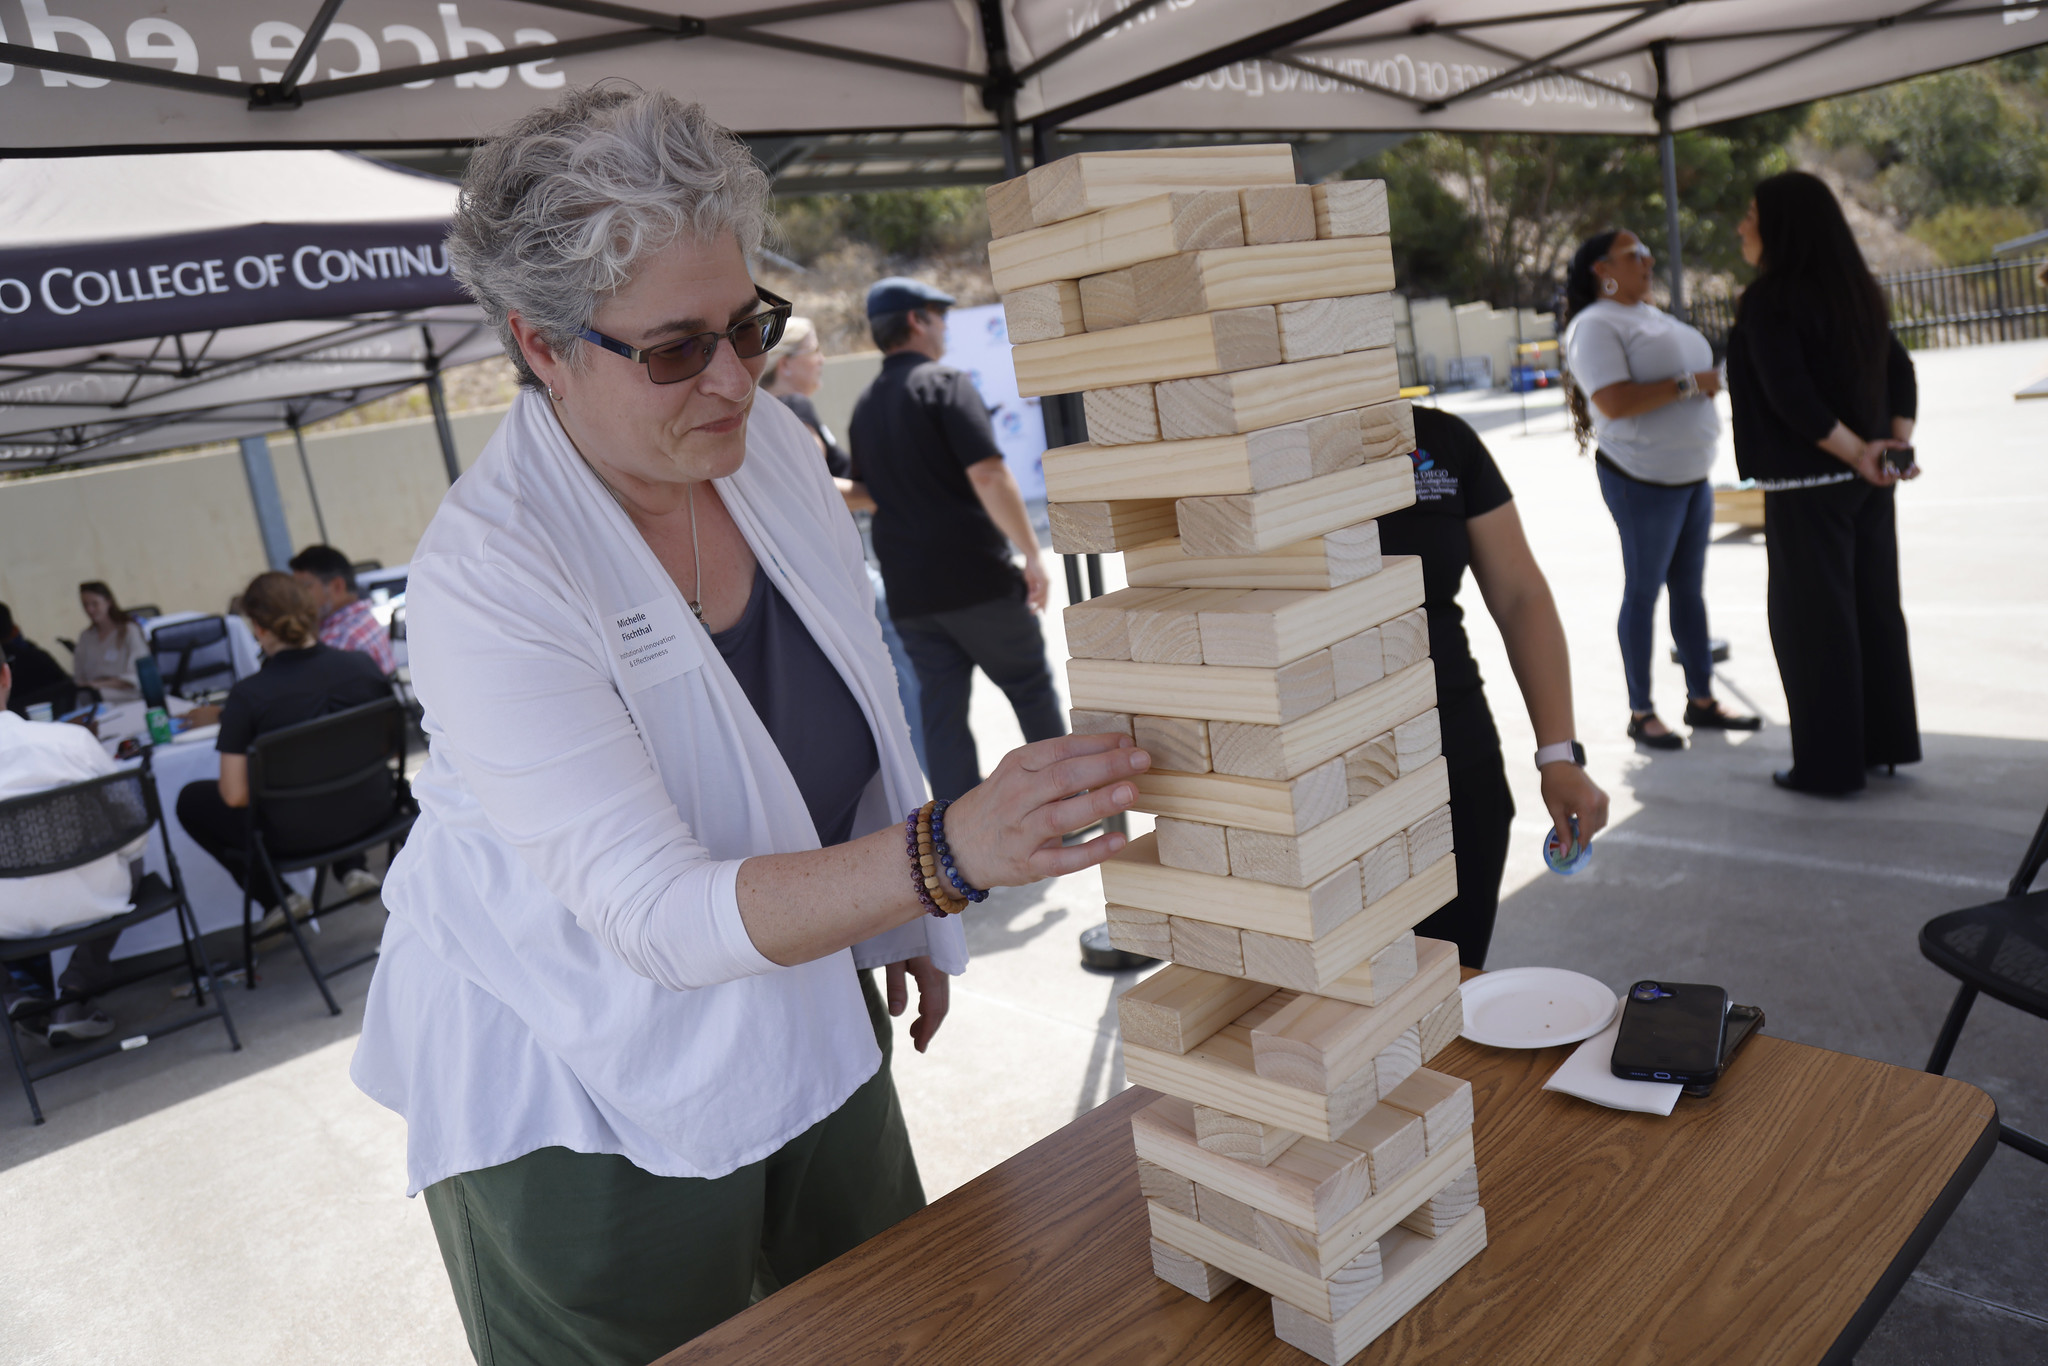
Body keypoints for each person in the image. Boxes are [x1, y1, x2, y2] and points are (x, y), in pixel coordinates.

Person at [346, 85, 1144, 1366]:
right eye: (672, 348)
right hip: (579, 1073)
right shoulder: (490, 576)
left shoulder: (764, 445)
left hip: (798, 984)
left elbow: (847, 702)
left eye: (746, 325)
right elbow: (655, 913)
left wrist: (893, 911)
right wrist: (945, 854)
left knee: (891, 1316)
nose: (732, 377)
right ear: (541, 346)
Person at [1378, 407, 1611, 968]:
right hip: (1314, 777)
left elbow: (1519, 595)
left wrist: (1559, 755)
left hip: (1453, 757)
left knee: (1448, 983)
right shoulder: (1251, 444)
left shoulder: (1440, 438)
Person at [1727, 170, 1920, 796]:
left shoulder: (1770, 299)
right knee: (1871, 610)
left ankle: (1829, 765)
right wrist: (1888, 447)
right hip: (1868, 485)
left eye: (1752, 215)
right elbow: (1902, 370)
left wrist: (1861, 449)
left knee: (1814, 626)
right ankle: (1881, 743)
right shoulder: (1858, 291)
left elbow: (1791, 397)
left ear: (1780, 226)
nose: (1743, 227)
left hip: (1809, 484)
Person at [847, 275, 1066, 802]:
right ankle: (1068, 807)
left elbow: (868, 492)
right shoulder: (945, 384)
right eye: (939, 315)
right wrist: (1032, 555)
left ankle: (961, 850)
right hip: (976, 580)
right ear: (918, 321)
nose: (945, 325)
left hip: (910, 593)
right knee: (1031, 689)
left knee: (942, 715)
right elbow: (988, 475)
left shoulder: (864, 406)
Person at [1560, 230, 1758, 751]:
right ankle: (1641, 711)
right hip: (1642, 481)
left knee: (1689, 592)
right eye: (1634, 256)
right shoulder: (1594, 325)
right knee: (1644, 592)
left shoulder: (1649, 315)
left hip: (1690, 478)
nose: (1648, 261)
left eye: (1648, 253)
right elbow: (1614, 401)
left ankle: (1701, 700)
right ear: (1601, 269)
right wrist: (1693, 384)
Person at [175, 573, 391, 929]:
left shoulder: (249, 697)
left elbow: (234, 794)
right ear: (312, 612)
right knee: (331, 767)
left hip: (294, 837)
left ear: (258, 628)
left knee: (192, 800)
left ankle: (276, 897)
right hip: (375, 810)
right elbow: (386, 748)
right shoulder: (361, 667)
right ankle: (352, 866)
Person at [0, 660, 133, 1044]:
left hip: (5, 917)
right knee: (132, 860)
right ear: (7, 676)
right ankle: (74, 994)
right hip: (91, 897)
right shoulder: (71, 741)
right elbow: (132, 828)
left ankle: (12, 997)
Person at [760, 315, 848, 477]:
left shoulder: (760, 413)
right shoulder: (795, 405)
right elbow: (812, 481)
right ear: (785, 363)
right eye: (815, 350)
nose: (822, 359)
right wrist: (877, 493)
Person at [289, 545, 397, 676]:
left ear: (337, 586)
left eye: (305, 587)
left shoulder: (338, 640)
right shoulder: (362, 616)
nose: (298, 597)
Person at [0, 603, 72, 716]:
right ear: (13, 628)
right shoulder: (36, 654)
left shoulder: (13, 662)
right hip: (62, 715)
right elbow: (67, 684)